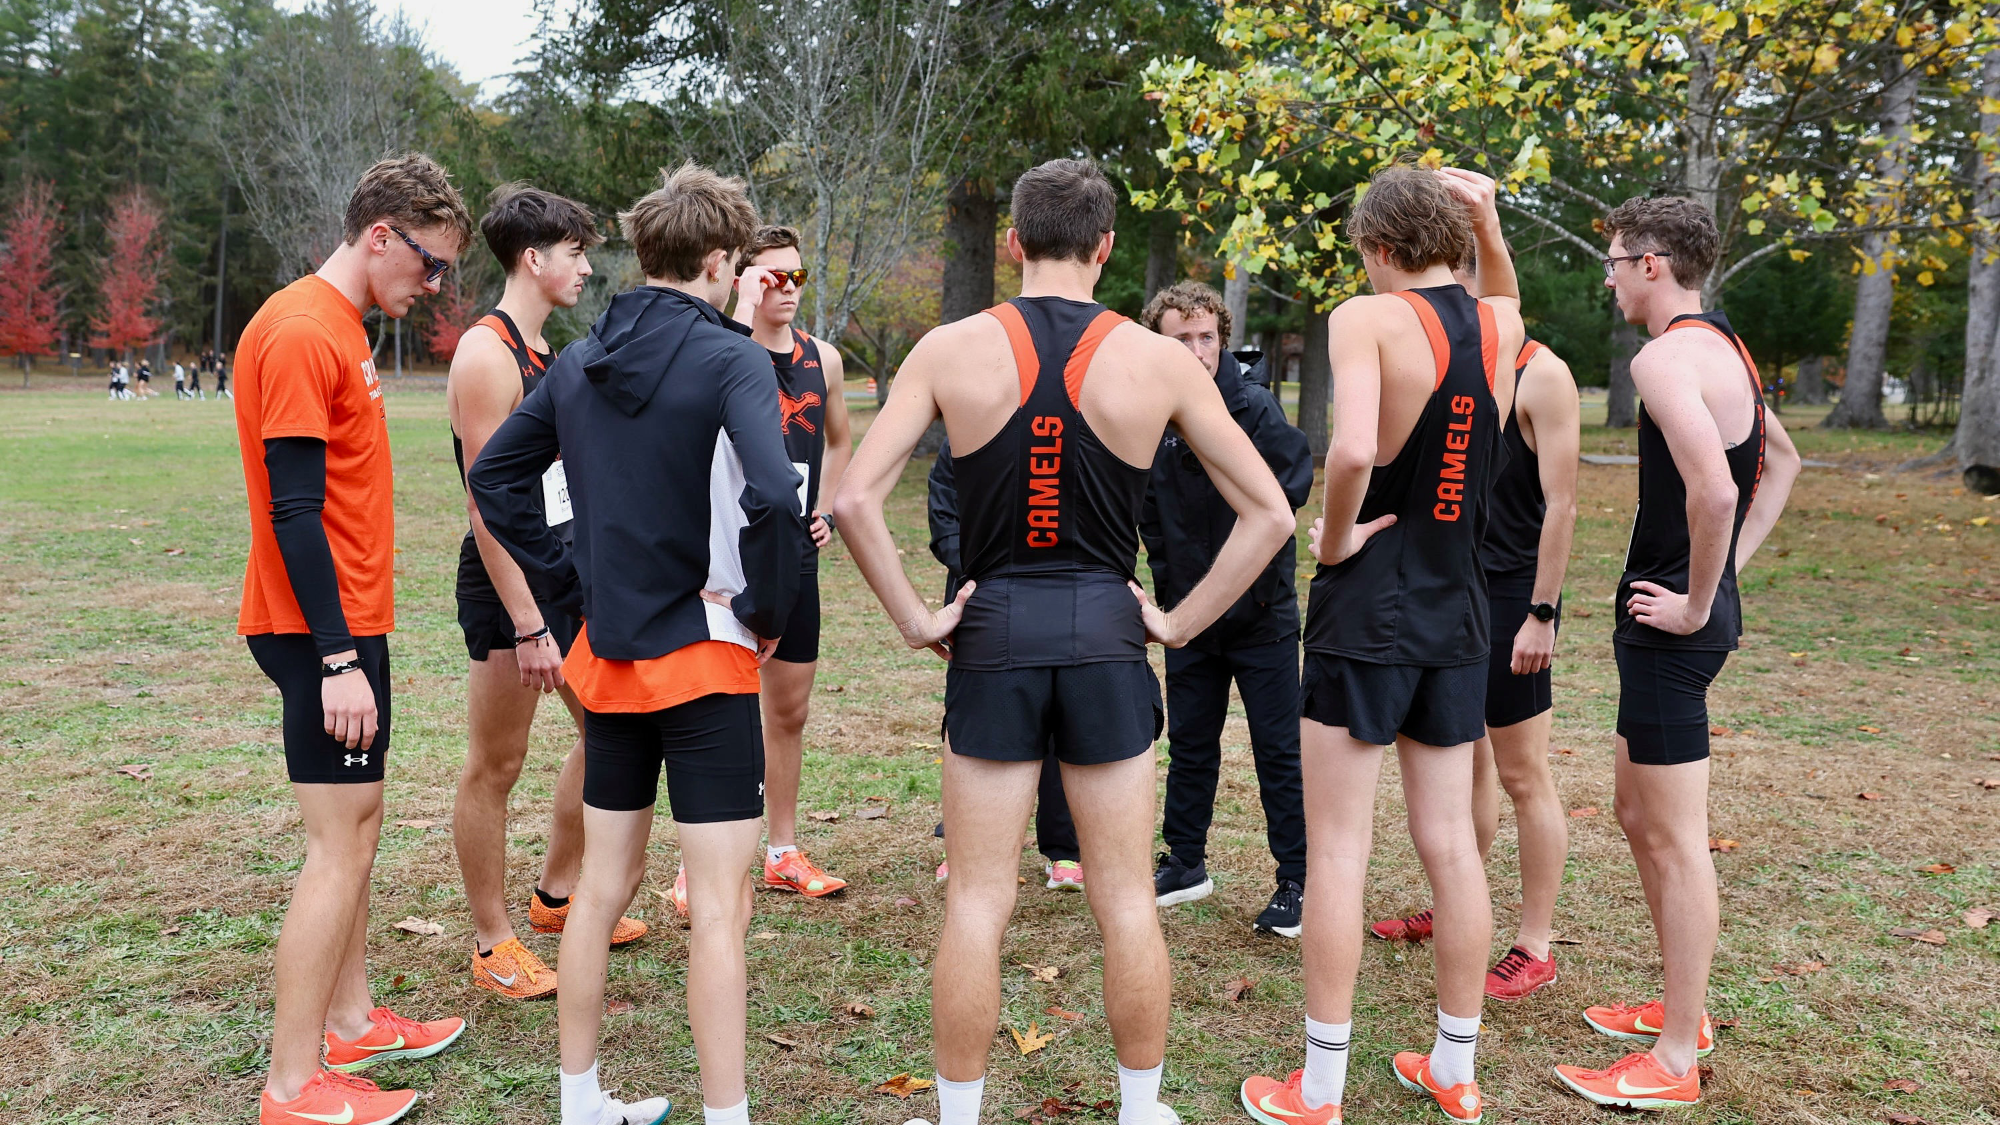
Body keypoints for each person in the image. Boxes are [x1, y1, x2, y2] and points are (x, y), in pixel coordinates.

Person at [832, 157, 1295, 1125]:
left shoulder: (949, 348)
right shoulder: (1156, 357)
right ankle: (1138, 1110)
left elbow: (850, 499)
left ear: (1012, 243)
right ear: (1105, 247)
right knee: (1125, 899)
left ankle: (958, 1116)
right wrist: (1172, 621)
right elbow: (1269, 512)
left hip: (993, 633)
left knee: (977, 903)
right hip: (1103, 637)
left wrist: (919, 620)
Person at [470, 161, 805, 1125]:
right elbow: (777, 493)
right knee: (718, 901)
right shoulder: (733, 357)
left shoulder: (575, 361)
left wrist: (572, 582)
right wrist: (771, 608)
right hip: (703, 654)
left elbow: (497, 482)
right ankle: (726, 1113)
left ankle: (580, 1100)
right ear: (715, 260)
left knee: (600, 889)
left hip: (610, 660)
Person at [1239, 165, 1523, 1125]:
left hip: (1372, 605)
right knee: (1453, 846)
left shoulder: (1369, 319)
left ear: (1380, 250)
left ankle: (1318, 1087)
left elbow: (1354, 449)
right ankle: (1456, 1064)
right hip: (1460, 606)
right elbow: (1505, 290)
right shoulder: (1501, 327)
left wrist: (1331, 538)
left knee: (1340, 850)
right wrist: (1487, 218)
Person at [236, 152, 474, 1125]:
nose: (435, 287)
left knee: (360, 829)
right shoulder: (300, 330)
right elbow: (294, 511)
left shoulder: (338, 325)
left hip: (344, 621)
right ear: (381, 235)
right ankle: (294, 1086)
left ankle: (351, 1020)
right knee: (338, 846)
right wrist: (336, 655)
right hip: (315, 628)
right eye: (430, 265)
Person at [1552, 196, 1799, 1110]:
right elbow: (1784, 459)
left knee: (1676, 837)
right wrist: (1721, 583)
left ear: (1653, 262)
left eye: (1615, 260)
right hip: (1672, 621)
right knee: (1634, 811)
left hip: (1670, 630)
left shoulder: (1663, 358)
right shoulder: (1724, 347)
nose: (1608, 276)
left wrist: (1700, 599)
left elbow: (1717, 490)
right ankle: (1680, 1012)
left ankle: (1674, 1058)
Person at [446, 184, 648, 1002]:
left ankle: (556, 897)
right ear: (534, 258)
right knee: (497, 760)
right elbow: (486, 505)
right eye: (574, 252)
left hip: (560, 569)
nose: (585, 266)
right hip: (509, 587)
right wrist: (529, 623)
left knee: (611, 731)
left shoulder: (549, 350)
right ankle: (493, 940)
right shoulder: (486, 353)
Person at [1371, 266, 1581, 1006]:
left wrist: (1542, 612)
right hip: (1452, 591)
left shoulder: (1541, 374)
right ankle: (1456, 904)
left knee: (1524, 774)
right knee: (1467, 765)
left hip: (1513, 597)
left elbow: (1562, 505)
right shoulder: (1446, 365)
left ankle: (1534, 943)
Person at [665, 224, 854, 913]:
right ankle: (697, 863)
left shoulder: (823, 360)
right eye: (771, 276)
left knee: (789, 708)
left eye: (796, 277)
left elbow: (837, 438)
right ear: (743, 279)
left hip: (790, 552)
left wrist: (825, 509)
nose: (786, 290)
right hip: (720, 555)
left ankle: (781, 849)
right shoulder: (717, 348)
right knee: (720, 708)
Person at [1137, 281, 1313, 938]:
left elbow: (1289, 487)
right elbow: (1144, 513)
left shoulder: (1256, 409)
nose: (1196, 348)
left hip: (1262, 617)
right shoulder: (1152, 419)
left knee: (1279, 751)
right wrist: (1166, 589)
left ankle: (1297, 878)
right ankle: (1185, 861)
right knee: (1189, 746)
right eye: (1181, 337)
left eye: (1206, 335)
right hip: (1187, 619)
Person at [927, 437, 1082, 889]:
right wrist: (991, 574)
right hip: (980, 598)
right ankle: (965, 848)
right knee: (975, 726)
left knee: (1059, 716)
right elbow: (944, 521)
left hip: (1058, 598)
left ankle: (1064, 849)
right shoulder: (961, 435)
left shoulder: (1062, 429)